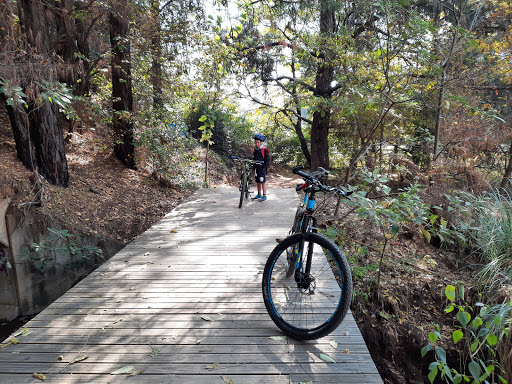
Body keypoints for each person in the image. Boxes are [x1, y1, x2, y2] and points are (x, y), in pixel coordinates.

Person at [252, 133, 270, 202]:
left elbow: (267, 159)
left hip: (262, 168)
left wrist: (265, 167)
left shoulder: (264, 149)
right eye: (255, 142)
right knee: (258, 182)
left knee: (263, 181)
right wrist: (253, 165)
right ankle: (259, 194)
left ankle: (264, 195)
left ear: (261, 142)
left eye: (258, 142)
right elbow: (254, 158)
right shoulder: (255, 149)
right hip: (256, 168)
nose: (256, 144)